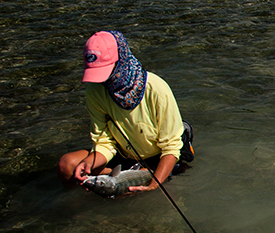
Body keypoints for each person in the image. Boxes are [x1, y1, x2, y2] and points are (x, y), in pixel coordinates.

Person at [58, 31, 193, 194]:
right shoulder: (94, 91)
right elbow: (104, 142)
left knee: (122, 193)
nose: (102, 81)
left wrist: (154, 185)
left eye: (105, 72)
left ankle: (151, 175)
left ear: (121, 61)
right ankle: (77, 209)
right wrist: (89, 163)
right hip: (122, 155)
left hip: (158, 158)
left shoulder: (157, 89)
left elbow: (171, 147)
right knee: (68, 165)